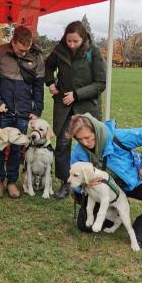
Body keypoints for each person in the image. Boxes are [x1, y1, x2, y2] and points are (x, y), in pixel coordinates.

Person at [67, 113, 142, 248]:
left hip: (132, 183)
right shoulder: (79, 151)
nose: (85, 143)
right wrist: (84, 186)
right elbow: (74, 178)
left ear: (96, 131)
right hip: (103, 192)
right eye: (80, 139)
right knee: (85, 226)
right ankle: (116, 215)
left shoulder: (118, 136)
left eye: (88, 137)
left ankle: (141, 232)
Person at [44, 21, 106, 199]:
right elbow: (48, 66)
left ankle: (94, 181)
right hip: (63, 106)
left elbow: (100, 83)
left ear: (83, 39)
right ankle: (66, 182)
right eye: (68, 40)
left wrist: (77, 95)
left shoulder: (93, 52)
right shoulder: (59, 49)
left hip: (86, 107)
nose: (71, 44)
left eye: (75, 41)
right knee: (62, 145)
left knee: (89, 144)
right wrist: (50, 83)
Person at [0, 25, 45, 199]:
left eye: (27, 50)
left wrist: (37, 109)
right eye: (20, 49)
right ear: (13, 41)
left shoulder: (37, 57)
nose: (23, 53)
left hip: (24, 111)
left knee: (18, 148)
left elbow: (39, 86)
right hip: (2, 110)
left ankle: (12, 182)